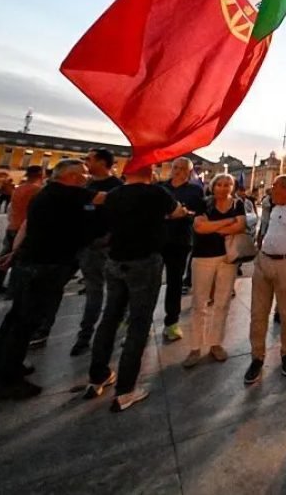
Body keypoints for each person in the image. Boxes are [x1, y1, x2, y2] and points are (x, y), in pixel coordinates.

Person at [0, 159, 105, 399]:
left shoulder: (48, 193)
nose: (87, 177)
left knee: (15, 319)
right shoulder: (65, 194)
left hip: (30, 263)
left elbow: (29, 226)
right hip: (46, 267)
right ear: (70, 177)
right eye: (83, 174)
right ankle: (7, 382)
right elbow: (103, 199)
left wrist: (14, 252)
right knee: (24, 323)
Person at [84, 167, 186, 411]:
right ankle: (125, 390)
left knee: (109, 318)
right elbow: (178, 212)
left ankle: (97, 377)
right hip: (144, 262)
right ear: (149, 173)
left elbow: (102, 221)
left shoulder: (114, 194)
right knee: (139, 324)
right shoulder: (156, 193)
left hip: (115, 260)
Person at [244, 175, 286, 384]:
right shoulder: (274, 207)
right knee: (258, 313)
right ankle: (257, 357)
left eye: (275, 187)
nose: (271, 190)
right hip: (264, 262)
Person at [183, 173, 246, 368]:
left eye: (228, 184)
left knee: (222, 302)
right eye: (219, 184)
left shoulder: (238, 204)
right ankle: (195, 347)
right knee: (199, 303)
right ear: (213, 186)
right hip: (203, 257)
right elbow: (199, 228)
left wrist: (213, 226)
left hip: (228, 257)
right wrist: (227, 223)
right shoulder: (204, 203)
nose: (224, 187)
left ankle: (215, 343)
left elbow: (241, 226)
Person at [70, 148, 124, 356]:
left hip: (110, 248)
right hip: (86, 247)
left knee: (115, 293)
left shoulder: (117, 187)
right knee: (94, 291)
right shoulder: (86, 185)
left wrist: (109, 237)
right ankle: (85, 336)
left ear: (102, 162)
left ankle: (111, 330)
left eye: (89, 159)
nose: (85, 162)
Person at [157, 157, 205, 342]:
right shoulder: (161, 188)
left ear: (188, 171)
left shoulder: (195, 190)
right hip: (157, 240)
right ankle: (138, 322)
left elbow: (197, 214)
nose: (176, 170)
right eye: (174, 167)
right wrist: (175, 214)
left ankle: (171, 323)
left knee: (174, 283)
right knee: (150, 283)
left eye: (181, 168)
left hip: (180, 241)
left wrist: (183, 214)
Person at [0, 166, 45, 296]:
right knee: (20, 260)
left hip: (12, 226)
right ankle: (13, 290)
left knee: (4, 256)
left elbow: (11, 208)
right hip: (24, 229)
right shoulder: (37, 190)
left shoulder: (19, 188)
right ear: (40, 175)